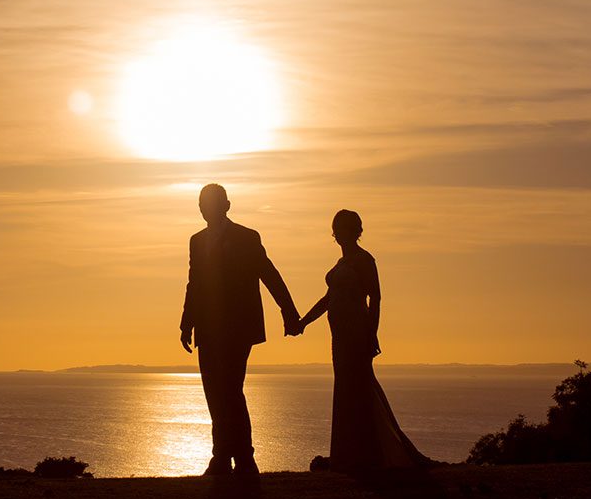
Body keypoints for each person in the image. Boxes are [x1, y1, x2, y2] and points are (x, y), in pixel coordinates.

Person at [293, 209, 433, 472]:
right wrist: (303, 322)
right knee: (346, 389)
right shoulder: (341, 263)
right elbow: (327, 300)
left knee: (360, 387)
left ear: (356, 231)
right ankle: (350, 453)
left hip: (356, 331)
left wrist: (371, 334)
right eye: (338, 229)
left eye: (346, 228)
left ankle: (372, 453)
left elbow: (376, 298)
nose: (340, 234)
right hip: (339, 334)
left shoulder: (364, 260)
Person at [180, 183, 300, 478]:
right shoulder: (196, 241)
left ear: (226, 205)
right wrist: (187, 323)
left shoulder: (247, 237)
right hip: (207, 329)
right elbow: (194, 283)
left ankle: (244, 459)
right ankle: (221, 458)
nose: (203, 208)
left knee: (230, 391)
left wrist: (288, 311)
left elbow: (268, 273)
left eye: (209, 202)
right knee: (214, 394)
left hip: (237, 327)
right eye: (200, 203)